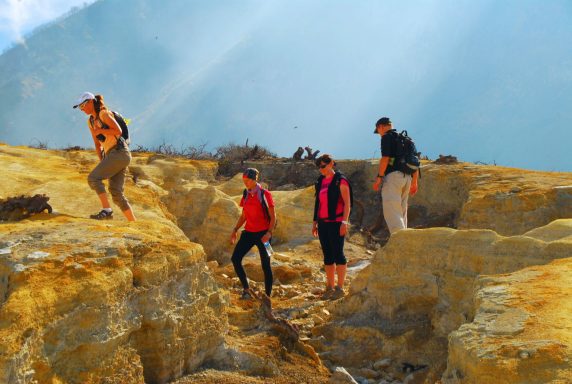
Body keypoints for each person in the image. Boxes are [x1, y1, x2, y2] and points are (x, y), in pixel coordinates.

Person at [73, 92, 136, 221]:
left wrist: (101, 130)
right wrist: (103, 162)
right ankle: (133, 222)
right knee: (116, 193)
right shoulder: (90, 121)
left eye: (83, 105)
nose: (82, 109)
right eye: (80, 107)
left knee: (93, 178)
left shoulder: (104, 114)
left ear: (90, 102)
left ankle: (107, 211)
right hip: (114, 156)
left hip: (119, 152)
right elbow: (97, 145)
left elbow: (118, 131)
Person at [230, 168, 276, 299]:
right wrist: (235, 230)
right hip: (248, 233)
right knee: (235, 259)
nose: (245, 183)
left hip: (264, 235)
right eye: (244, 180)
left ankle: (267, 297)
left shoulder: (265, 194)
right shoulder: (245, 194)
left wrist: (269, 233)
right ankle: (246, 289)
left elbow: (273, 217)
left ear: (254, 179)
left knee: (266, 264)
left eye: (247, 180)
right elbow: (244, 215)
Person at [312, 154, 352, 300]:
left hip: (336, 222)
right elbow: (318, 203)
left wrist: (344, 222)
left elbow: (348, 203)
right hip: (323, 223)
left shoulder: (340, 181)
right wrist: (315, 222)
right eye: (319, 167)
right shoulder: (320, 181)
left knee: (338, 254)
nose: (321, 169)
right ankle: (329, 287)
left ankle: (340, 288)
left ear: (331, 164)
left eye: (323, 166)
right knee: (327, 255)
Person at [372, 117, 418, 234]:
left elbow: (385, 158)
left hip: (393, 177)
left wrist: (379, 178)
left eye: (378, 131)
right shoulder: (406, 139)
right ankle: (404, 239)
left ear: (380, 127)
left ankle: (399, 242)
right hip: (407, 177)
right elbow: (416, 162)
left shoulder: (387, 137)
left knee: (392, 210)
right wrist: (414, 182)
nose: (379, 134)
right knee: (402, 211)